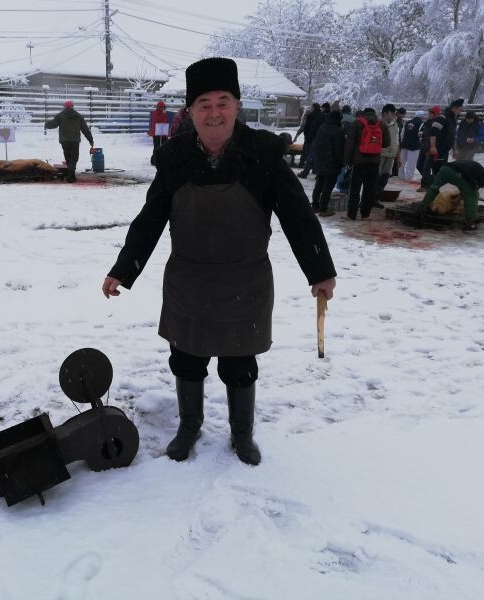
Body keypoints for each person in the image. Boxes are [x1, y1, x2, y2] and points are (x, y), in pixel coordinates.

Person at [100, 58, 337, 466]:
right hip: (188, 282)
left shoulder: (263, 155)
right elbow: (151, 218)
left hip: (245, 283)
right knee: (186, 359)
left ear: (236, 105)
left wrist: (320, 271)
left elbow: (298, 216)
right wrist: (123, 269)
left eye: (222, 102)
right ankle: (189, 426)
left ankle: (242, 433)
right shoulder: (174, 158)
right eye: (204, 104)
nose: (214, 113)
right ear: (191, 112)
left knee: (240, 362)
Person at [343, 107, 390, 220]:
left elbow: (350, 143)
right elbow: (386, 143)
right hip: (374, 162)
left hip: (359, 161)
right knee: (369, 188)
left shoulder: (357, 123)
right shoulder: (382, 125)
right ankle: (365, 213)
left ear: (363, 114)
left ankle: (352, 214)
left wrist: (347, 161)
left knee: (355, 188)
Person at [419, 160, 484, 231]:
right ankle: (469, 223)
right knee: (473, 196)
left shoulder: (475, 167)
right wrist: (461, 197)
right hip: (458, 174)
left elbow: (466, 186)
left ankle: (423, 206)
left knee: (434, 188)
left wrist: (458, 199)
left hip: (445, 169)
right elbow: (471, 191)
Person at [45, 100, 94, 183]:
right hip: (75, 141)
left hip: (64, 141)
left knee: (68, 158)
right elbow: (85, 129)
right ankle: (71, 175)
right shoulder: (78, 116)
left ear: (65, 107)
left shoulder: (60, 115)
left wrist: (46, 124)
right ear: (72, 107)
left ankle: (71, 175)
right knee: (74, 158)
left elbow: (53, 124)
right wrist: (90, 140)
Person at [419, 98, 463, 192]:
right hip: (437, 149)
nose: (460, 112)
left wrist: (454, 149)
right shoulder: (442, 118)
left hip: (445, 150)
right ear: (454, 108)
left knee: (439, 170)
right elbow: (433, 132)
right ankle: (426, 186)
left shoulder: (453, 121)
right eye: (459, 109)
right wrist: (433, 146)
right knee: (428, 167)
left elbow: (452, 136)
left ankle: (433, 187)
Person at [311, 109, 344, 216]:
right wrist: (341, 161)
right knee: (328, 187)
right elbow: (338, 150)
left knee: (319, 184)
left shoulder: (322, 127)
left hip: (319, 161)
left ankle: (315, 206)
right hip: (332, 163)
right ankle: (323, 209)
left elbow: (316, 144)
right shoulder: (338, 131)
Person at [377, 104, 400, 200]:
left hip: (391, 155)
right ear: (385, 113)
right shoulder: (378, 124)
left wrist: (398, 157)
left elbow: (397, 141)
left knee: (385, 177)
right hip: (380, 155)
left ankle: (378, 197)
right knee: (376, 177)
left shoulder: (395, 125)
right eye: (392, 113)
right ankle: (371, 198)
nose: (394, 115)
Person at [298, 102, 325, 178]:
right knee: (317, 156)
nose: (310, 109)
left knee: (310, 155)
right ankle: (316, 171)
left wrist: (307, 136)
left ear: (314, 108)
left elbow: (308, 127)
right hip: (320, 139)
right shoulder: (322, 115)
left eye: (311, 107)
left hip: (312, 138)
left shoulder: (311, 115)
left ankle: (305, 172)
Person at [416, 106, 440, 189]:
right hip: (423, 147)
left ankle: (425, 186)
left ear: (436, 114)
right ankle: (430, 181)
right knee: (419, 166)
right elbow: (423, 134)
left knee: (426, 168)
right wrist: (421, 134)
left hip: (430, 149)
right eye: (429, 113)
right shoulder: (426, 123)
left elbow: (436, 137)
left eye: (431, 113)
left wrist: (431, 148)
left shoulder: (437, 124)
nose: (429, 114)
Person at [399, 110, 425, 180]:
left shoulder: (407, 122)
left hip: (404, 144)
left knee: (402, 161)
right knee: (411, 162)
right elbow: (421, 135)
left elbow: (402, 134)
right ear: (422, 117)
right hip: (414, 146)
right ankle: (409, 177)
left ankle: (401, 176)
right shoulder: (421, 124)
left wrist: (402, 142)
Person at [148, 100, 169, 166]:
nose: (162, 108)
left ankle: (161, 159)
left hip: (163, 131)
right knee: (157, 147)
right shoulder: (155, 113)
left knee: (163, 146)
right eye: (161, 107)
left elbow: (165, 121)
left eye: (163, 107)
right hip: (156, 132)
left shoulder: (164, 113)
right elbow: (158, 120)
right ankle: (154, 160)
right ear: (158, 107)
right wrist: (163, 114)